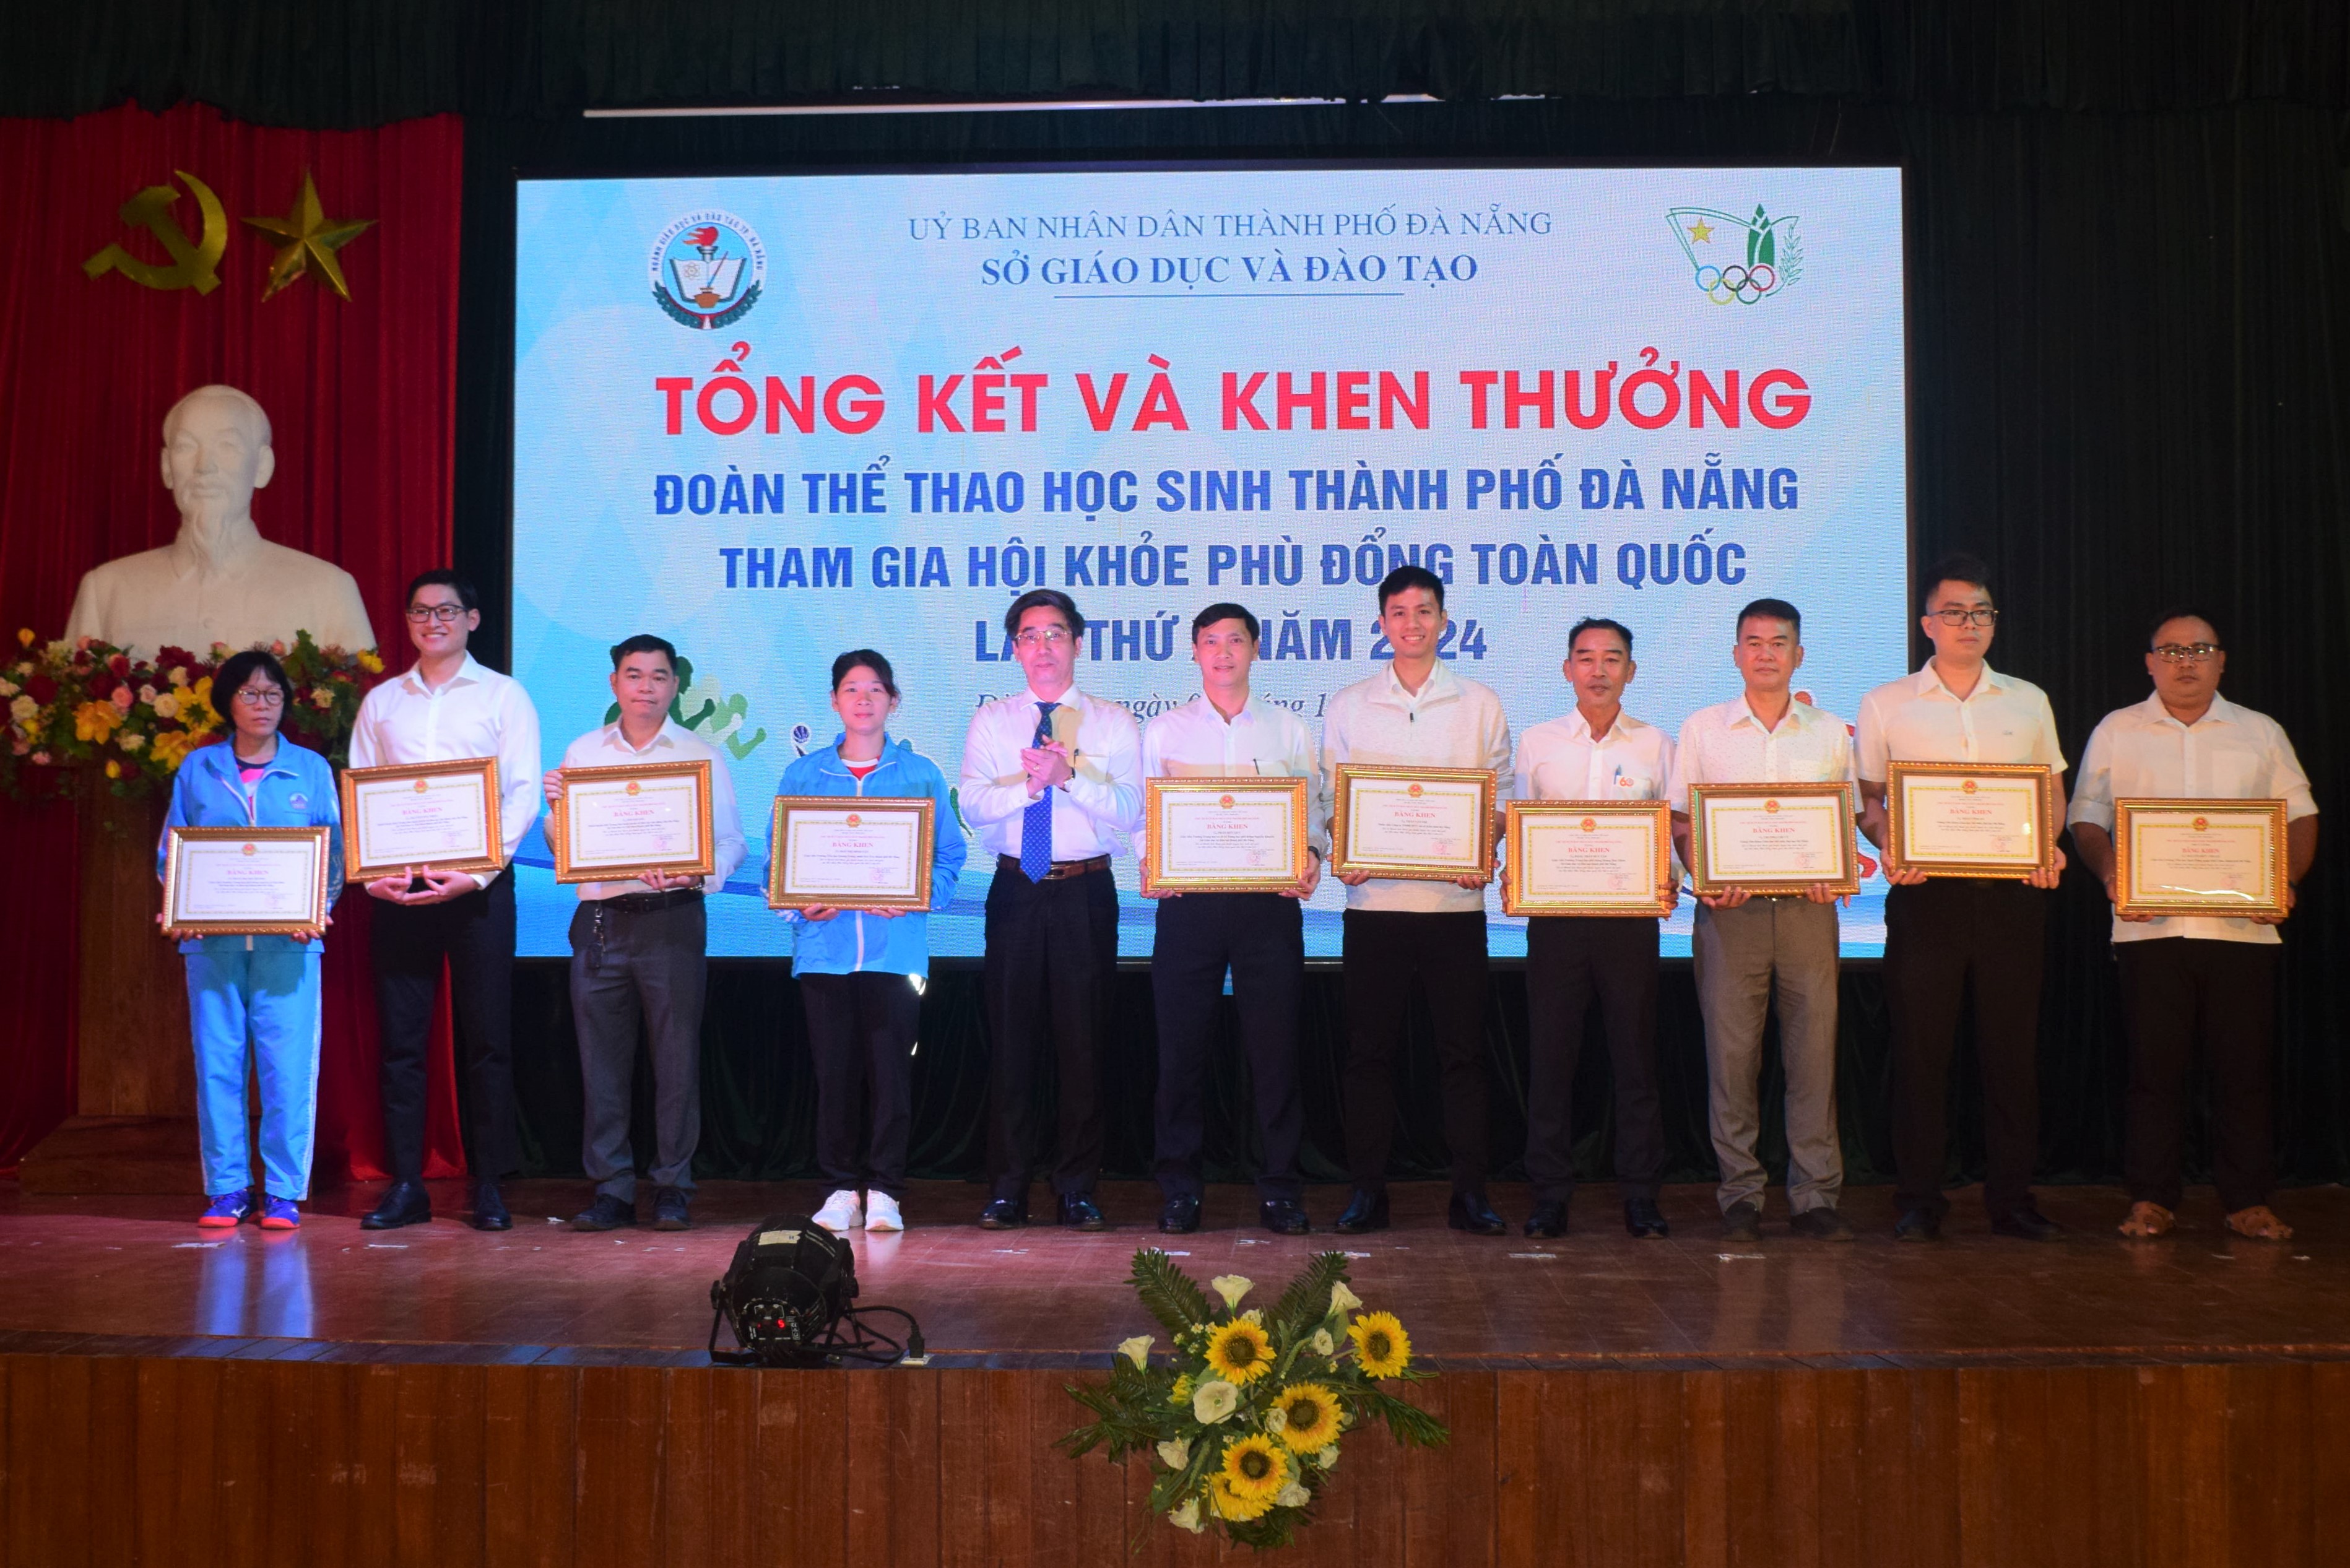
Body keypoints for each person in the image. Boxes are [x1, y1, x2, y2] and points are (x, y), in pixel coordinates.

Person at [2068, 610, 2318, 1243]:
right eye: (2171, 650)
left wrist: (2283, 880)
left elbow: (2299, 815)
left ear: (2221, 661)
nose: (2185, 661)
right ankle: (2151, 1199)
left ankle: (2247, 1201)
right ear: (2149, 662)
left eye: (2199, 649)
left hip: (2242, 931)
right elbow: (2085, 820)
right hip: (2149, 929)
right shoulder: (2117, 730)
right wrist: (2109, 878)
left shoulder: (2259, 732)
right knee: (2153, 1073)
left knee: (2244, 1071)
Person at [1857, 554, 2070, 1242]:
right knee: (1922, 1054)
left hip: (2012, 899)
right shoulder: (1886, 702)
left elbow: (2051, 792)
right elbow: (1867, 799)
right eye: (1954, 612)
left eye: (1980, 612)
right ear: (1927, 624)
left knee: (2012, 1055)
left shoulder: (2028, 699)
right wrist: (1890, 838)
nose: (1968, 623)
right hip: (1927, 901)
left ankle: (2012, 1199)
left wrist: (2046, 847)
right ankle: (1918, 1197)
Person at [1320, 565, 1513, 1236]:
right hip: (1372, 907)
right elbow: (1328, 800)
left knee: (1462, 1056)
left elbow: (1502, 798)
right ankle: (1366, 1192)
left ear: (1444, 621)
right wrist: (1343, 851)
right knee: (1367, 1056)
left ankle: (1471, 1194)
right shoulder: (1347, 705)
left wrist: (1481, 849)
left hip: (1455, 911)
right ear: (1381, 625)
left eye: (1424, 611)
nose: (1412, 623)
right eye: (1398, 613)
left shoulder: (1480, 703)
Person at [349, 570, 542, 1232]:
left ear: (473, 620)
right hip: (400, 891)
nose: (434, 622)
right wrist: (371, 875)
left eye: (448, 610)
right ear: (407, 622)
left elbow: (521, 794)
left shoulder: (503, 696)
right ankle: (407, 1184)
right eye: (421, 612)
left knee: (487, 1040)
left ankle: (489, 1184)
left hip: (478, 892)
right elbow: (364, 794)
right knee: (402, 1043)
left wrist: (480, 874)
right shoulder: (382, 703)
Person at [544, 635, 746, 1234]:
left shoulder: (700, 755)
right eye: (634, 675)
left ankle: (673, 1187)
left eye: (659, 677)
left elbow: (731, 842)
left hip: (672, 919)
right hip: (602, 922)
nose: (646, 687)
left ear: (675, 686)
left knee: (677, 1061)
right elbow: (567, 851)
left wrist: (699, 870)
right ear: (615, 684)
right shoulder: (583, 752)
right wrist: (557, 813)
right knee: (601, 1063)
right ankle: (610, 1188)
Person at [1670, 598, 1857, 1242]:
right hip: (1730, 916)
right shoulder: (1702, 728)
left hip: (1809, 912)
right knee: (1731, 1058)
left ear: (1798, 655)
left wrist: (1835, 866)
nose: (1766, 653)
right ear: (1736, 654)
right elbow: (1680, 821)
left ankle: (1814, 1194)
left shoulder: (1831, 731)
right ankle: (1740, 1193)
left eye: (1779, 643)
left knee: (1813, 1055)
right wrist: (1703, 873)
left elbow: (1843, 820)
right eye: (1753, 642)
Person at [958, 589, 1143, 1229]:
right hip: (1015, 889)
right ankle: (1007, 1187)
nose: (1043, 648)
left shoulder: (1114, 723)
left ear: (1077, 643)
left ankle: (1076, 1188)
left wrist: (1070, 779)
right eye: (1029, 636)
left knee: (1082, 1044)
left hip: (1085, 892)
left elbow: (1132, 811)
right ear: (1015, 648)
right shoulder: (992, 721)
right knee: (1011, 1042)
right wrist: (1027, 787)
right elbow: (974, 806)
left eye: (1055, 634)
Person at [1140, 604, 1322, 1237]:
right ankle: (1180, 1189)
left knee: (1274, 1053)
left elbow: (1313, 809)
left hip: (1266, 907)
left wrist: (1313, 855)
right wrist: (1149, 860)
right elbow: (1144, 813)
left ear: (1255, 649)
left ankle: (1279, 1189)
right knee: (1179, 1053)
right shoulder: (1164, 732)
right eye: (1210, 641)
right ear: (1194, 651)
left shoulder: (1289, 730)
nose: (1223, 652)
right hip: (1186, 906)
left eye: (1235, 641)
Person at [778, 650, 966, 1235]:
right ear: (835, 700)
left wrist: (918, 894)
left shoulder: (920, 774)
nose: (864, 699)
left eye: (876, 689)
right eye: (852, 689)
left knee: (890, 1075)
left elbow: (951, 857)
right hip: (824, 953)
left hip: (896, 953)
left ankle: (885, 1189)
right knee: (834, 1076)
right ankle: (838, 1188)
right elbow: (777, 859)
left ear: (894, 700)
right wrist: (797, 902)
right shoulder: (804, 776)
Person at [157, 649, 343, 1229]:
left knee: (287, 1066)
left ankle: (284, 1190)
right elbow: (173, 851)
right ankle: (228, 1188)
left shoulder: (310, 769)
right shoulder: (199, 768)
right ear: (227, 701)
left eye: (272, 695)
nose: (262, 705)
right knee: (218, 1063)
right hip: (211, 946)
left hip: (290, 944)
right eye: (249, 693)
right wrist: (180, 905)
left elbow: (332, 853)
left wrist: (318, 908)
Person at [1509, 617, 1676, 1241]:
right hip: (1555, 925)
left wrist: (1670, 876)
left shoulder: (1656, 744)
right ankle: (1549, 1195)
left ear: (1630, 670)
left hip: (1629, 924)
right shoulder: (1538, 742)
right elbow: (1520, 828)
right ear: (1567, 669)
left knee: (1635, 1060)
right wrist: (1516, 877)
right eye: (1585, 658)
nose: (1598, 670)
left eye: (1612, 659)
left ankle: (1641, 1194)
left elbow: (1670, 831)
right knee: (1551, 1062)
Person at [66, 384, 374, 658]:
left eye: (228, 446)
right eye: (187, 447)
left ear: (262, 466)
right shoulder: (107, 590)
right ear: (166, 467)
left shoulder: (327, 590)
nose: (205, 467)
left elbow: (362, 717)